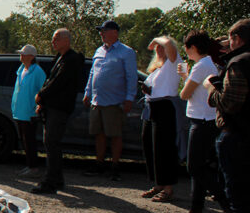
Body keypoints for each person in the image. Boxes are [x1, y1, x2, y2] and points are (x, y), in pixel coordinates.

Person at [173, 30, 231, 213]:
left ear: (193, 48)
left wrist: (185, 78)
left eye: (187, 48)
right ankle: (196, 212)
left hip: (202, 120)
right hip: (206, 119)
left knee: (195, 167)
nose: (186, 52)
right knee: (200, 168)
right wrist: (187, 76)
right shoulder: (208, 64)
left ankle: (226, 206)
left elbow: (184, 94)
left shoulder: (200, 66)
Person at [208, 18, 250, 213]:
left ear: (238, 38)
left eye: (230, 38)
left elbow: (231, 102)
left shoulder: (239, 64)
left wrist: (212, 91)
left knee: (241, 196)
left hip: (238, 136)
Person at [82, 20, 138, 181]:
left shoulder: (126, 52)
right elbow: (92, 74)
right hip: (97, 101)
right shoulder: (99, 51)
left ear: (114, 32)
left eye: (104, 31)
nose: (101, 34)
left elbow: (131, 77)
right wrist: (88, 92)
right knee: (98, 133)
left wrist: (129, 98)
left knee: (114, 134)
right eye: (101, 31)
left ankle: (115, 166)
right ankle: (99, 164)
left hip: (114, 101)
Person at [32, 28, 85, 195]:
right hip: (52, 106)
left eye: (56, 39)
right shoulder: (60, 58)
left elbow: (58, 83)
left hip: (60, 108)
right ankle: (58, 178)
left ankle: (50, 182)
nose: (52, 42)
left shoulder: (71, 60)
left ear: (66, 40)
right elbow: (50, 80)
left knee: (52, 143)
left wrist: (41, 95)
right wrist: (43, 100)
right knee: (51, 143)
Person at [139, 36, 182, 202]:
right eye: (157, 47)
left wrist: (156, 39)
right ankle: (158, 183)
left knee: (164, 147)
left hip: (165, 107)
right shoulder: (158, 68)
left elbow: (170, 44)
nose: (158, 49)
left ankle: (169, 187)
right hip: (152, 107)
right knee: (150, 144)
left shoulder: (175, 62)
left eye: (161, 47)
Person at [11, 44, 46, 179]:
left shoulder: (37, 71)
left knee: (30, 140)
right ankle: (29, 165)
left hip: (29, 111)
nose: (21, 56)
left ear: (31, 56)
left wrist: (38, 106)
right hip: (19, 111)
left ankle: (33, 167)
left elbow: (42, 90)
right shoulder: (21, 70)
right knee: (24, 140)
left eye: (24, 54)